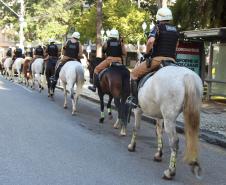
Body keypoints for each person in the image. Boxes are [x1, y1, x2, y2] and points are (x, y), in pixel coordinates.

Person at [127, 7, 179, 108]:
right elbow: (177, 45)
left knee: (133, 74)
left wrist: (147, 53)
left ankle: (134, 99)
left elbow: (150, 41)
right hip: (172, 60)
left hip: (158, 60)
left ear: (159, 17)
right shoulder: (175, 29)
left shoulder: (157, 27)